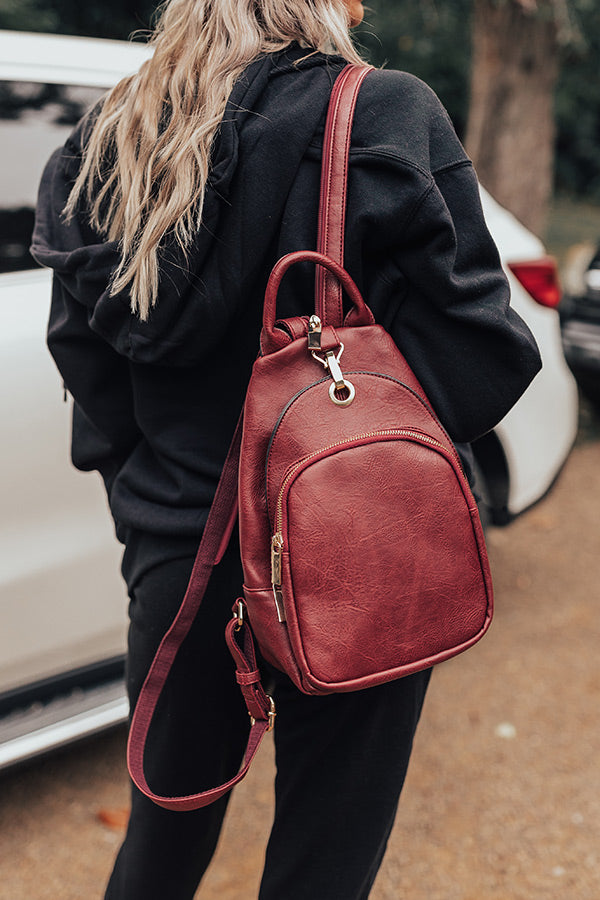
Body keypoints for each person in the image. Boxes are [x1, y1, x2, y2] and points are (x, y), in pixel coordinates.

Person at [31, 1, 542, 897]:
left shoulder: (108, 138)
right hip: (354, 546)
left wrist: (146, 497)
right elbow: (482, 356)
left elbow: (83, 352)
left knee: (161, 843)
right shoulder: (380, 113)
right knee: (324, 862)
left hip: (180, 560)